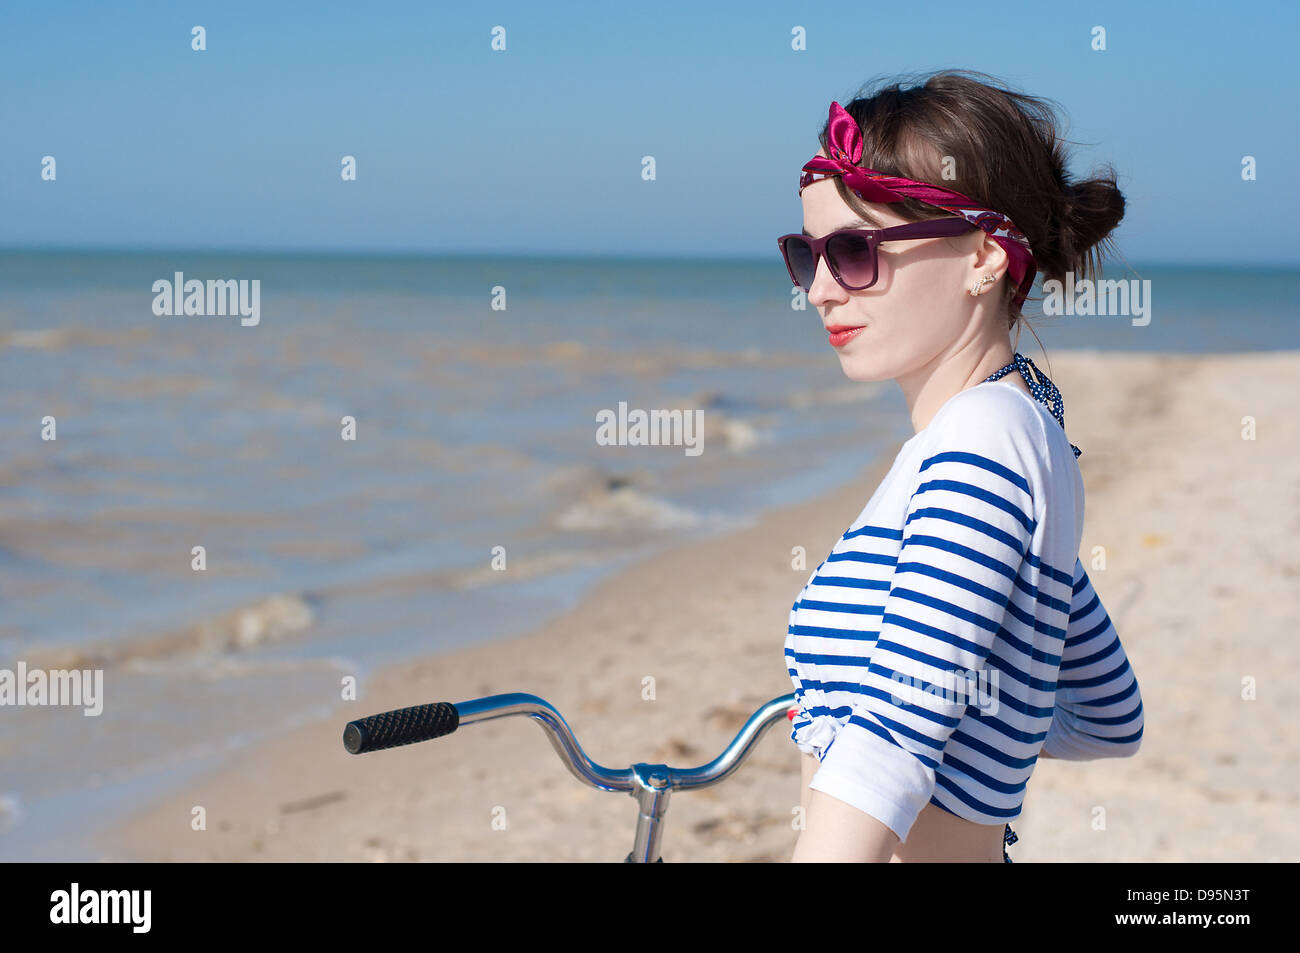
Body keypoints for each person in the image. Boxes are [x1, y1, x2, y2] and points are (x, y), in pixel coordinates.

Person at [778, 71, 1145, 863]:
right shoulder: (1025, 436)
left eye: (852, 251)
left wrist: (898, 721)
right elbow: (1110, 714)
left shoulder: (980, 442)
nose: (817, 289)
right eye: (805, 254)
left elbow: (893, 734)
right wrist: (978, 720)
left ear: (983, 254)